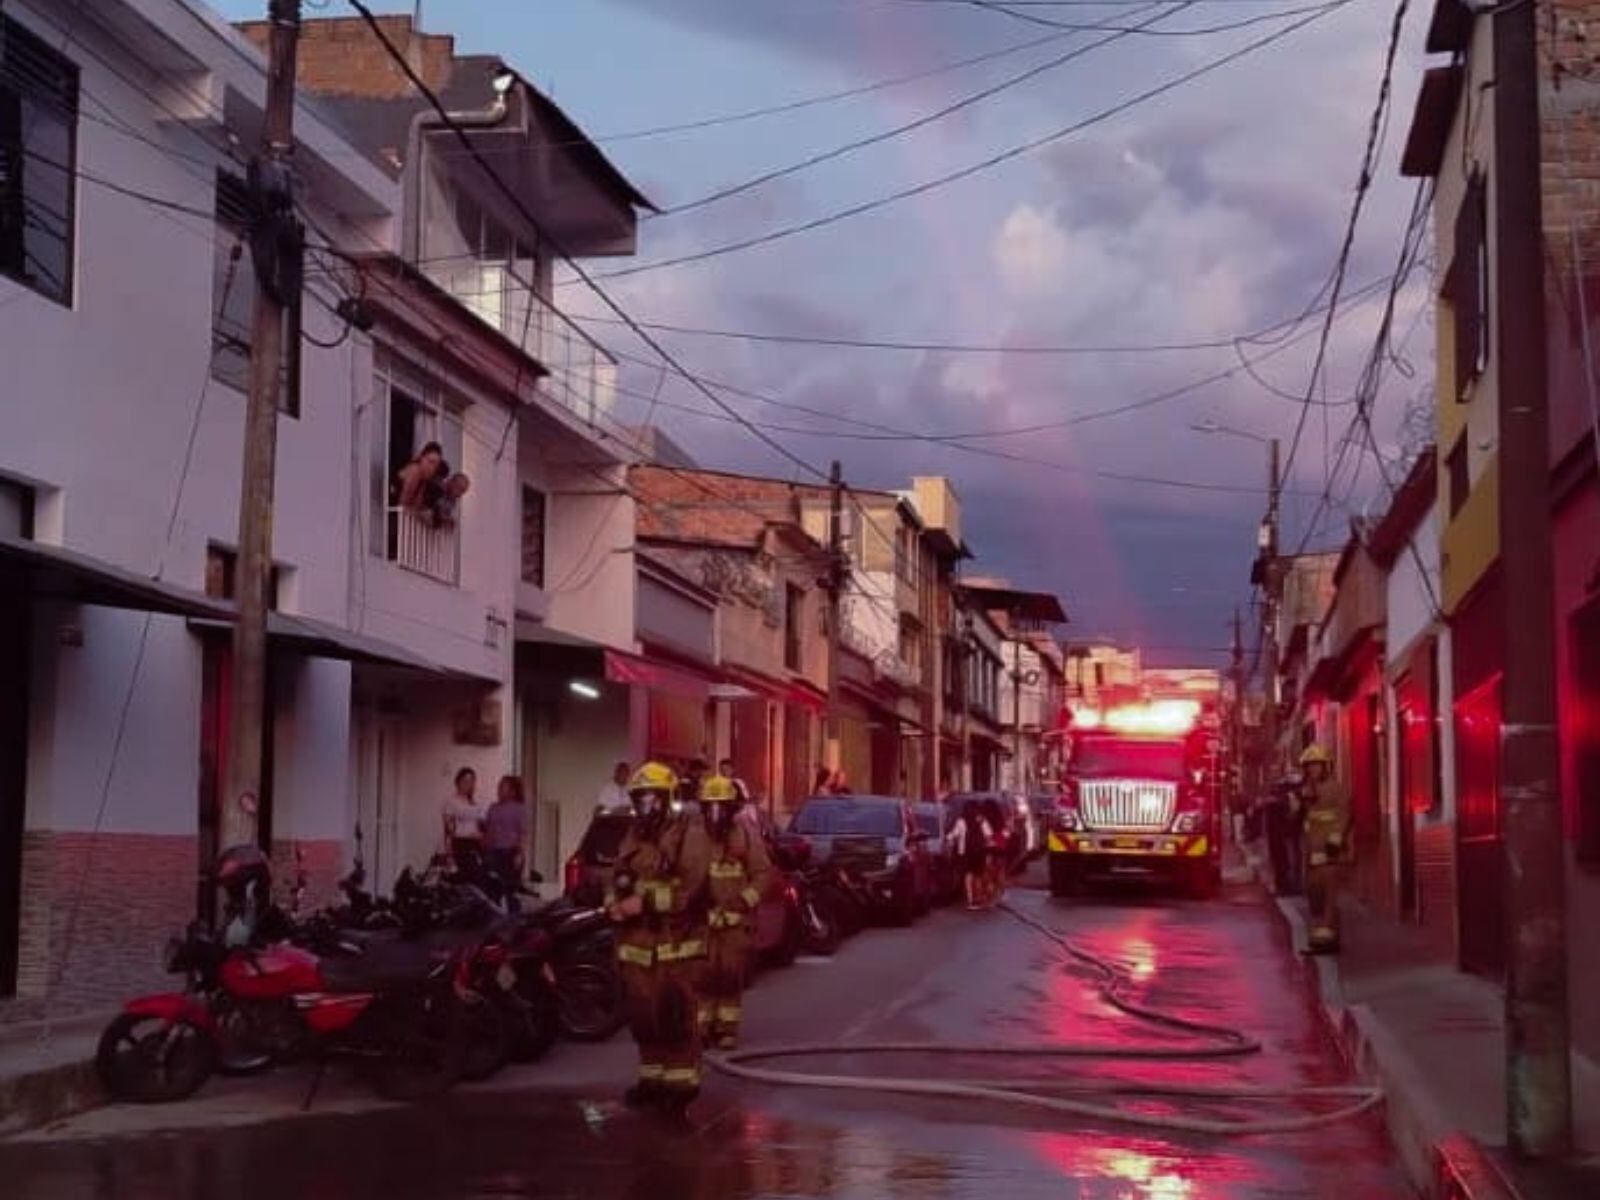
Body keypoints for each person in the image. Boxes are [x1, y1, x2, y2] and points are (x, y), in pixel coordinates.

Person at [608, 761, 712, 1116]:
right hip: (638, 946)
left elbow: (692, 891)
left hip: (676, 945)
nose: (645, 807)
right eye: (640, 800)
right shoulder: (633, 835)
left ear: (667, 799)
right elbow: (617, 877)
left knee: (675, 1017)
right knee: (644, 1018)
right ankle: (651, 1081)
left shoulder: (689, 834)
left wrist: (646, 902)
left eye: (652, 799)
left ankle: (680, 1089)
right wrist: (614, 904)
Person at [697, 775, 773, 1050]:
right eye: (710, 807)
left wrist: (744, 900)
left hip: (735, 921)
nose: (715, 813)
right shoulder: (695, 836)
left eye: (721, 807)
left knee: (729, 975)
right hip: (702, 920)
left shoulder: (745, 833)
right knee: (702, 975)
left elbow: (762, 873)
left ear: (731, 809)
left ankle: (727, 1029)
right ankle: (702, 1026)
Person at [1297, 745, 1352, 954]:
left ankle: (1328, 939)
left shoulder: (1336, 788)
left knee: (1329, 894)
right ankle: (1317, 937)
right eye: (1309, 767)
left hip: (1328, 851)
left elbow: (1344, 814)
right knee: (1314, 895)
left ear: (1326, 767)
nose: (1312, 770)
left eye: (1316, 766)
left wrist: (1335, 840)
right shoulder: (1307, 791)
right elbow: (1303, 819)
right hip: (1312, 850)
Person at [484, 775, 528, 893]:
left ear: (512, 791)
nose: (499, 789)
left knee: (510, 890)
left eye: (503, 787)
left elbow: (523, 833)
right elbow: (488, 829)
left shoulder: (519, 809)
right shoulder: (493, 807)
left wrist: (520, 854)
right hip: (493, 853)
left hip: (510, 853)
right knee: (493, 888)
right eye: (499, 786)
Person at [950, 800, 992, 911]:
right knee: (978, 875)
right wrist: (988, 849)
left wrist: (948, 838)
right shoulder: (981, 820)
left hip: (964, 853)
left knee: (968, 876)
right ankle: (978, 899)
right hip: (979, 852)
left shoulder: (961, 821)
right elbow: (988, 835)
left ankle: (970, 900)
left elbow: (954, 834)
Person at [443, 767, 484, 872]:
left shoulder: (475, 803)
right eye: (465, 781)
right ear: (458, 782)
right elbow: (448, 831)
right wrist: (449, 856)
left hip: (474, 845)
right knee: (461, 880)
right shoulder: (451, 802)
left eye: (471, 781)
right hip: (459, 845)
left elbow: (479, 825)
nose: (468, 784)